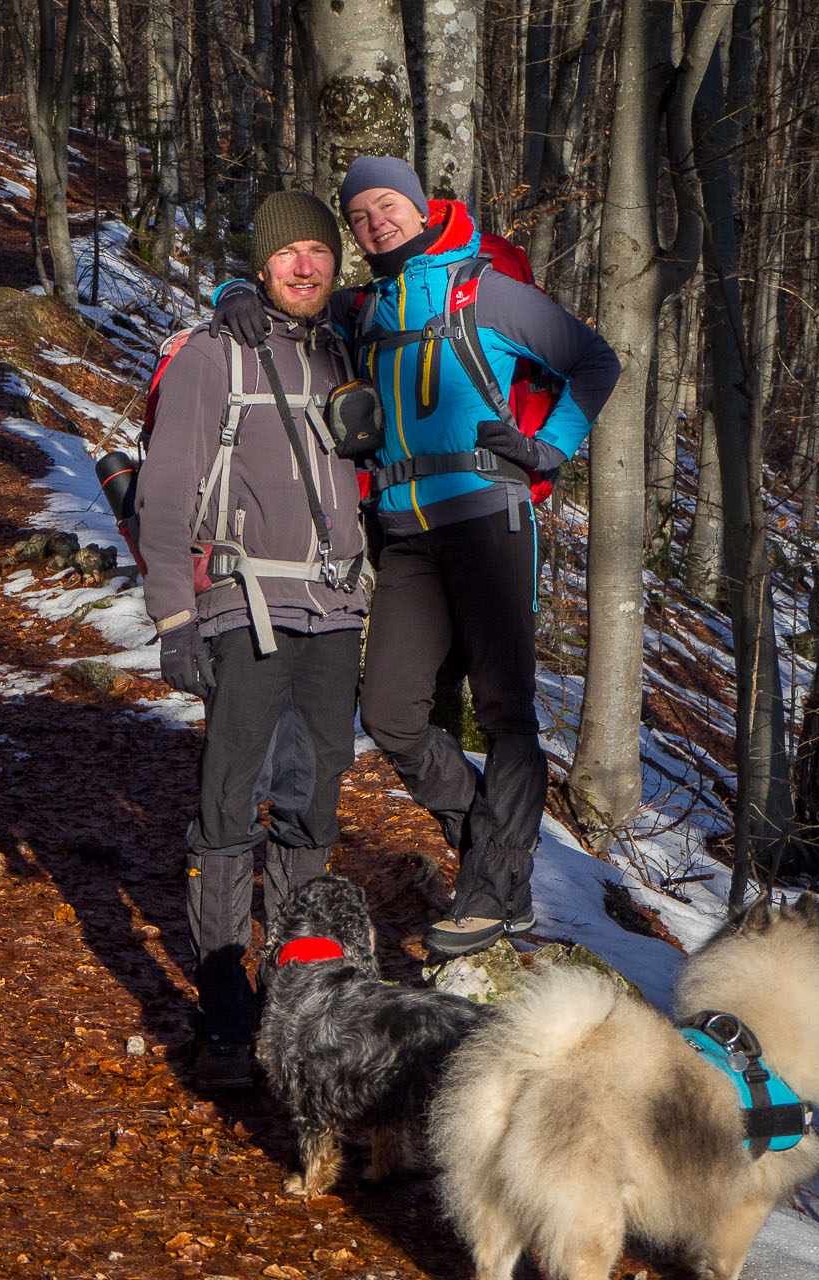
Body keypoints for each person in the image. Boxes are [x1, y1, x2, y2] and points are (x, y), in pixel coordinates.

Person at [214, 156, 620, 958]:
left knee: (506, 713)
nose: (375, 222)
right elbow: (288, 302)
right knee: (393, 712)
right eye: (360, 216)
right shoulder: (364, 307)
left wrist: (548, 449)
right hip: (404, 536)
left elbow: (594, 359)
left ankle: (493, 891)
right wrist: (233, 294)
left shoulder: (483, 291)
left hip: (488, 521)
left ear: (419, 204)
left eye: (386, 205)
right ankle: (495, 850)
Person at [136, 190, 370, 1088]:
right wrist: (172, 618)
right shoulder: (212, 355)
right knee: (230, 804)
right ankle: (225, 1009)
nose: (304, 267)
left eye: (318, 251)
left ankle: (296, 991)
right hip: (245, 606)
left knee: (312, 807)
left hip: (340, 612)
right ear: (261, 264)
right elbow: (165, 495)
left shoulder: (347, 350)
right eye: (285, 255)